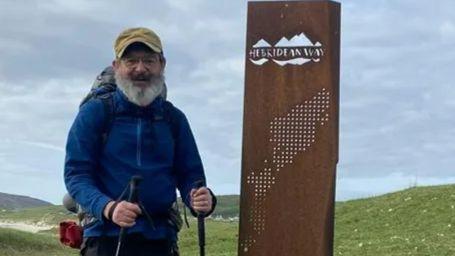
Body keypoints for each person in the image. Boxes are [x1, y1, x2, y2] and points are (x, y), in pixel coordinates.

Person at [64, 27, 216, 256]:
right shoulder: (95, 112)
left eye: (149, 60)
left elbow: (190, 176)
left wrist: (200, 199)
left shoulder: (174, 119)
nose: (140, 69)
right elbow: (76, 175)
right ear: (117, 67)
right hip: (105, 237)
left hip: (160, 239)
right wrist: (109, 207)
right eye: (131, 61)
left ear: (162, 64)